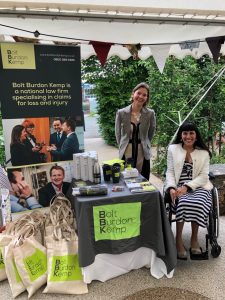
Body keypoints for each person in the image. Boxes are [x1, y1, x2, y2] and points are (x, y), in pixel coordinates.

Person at [165, 121, 212, 260]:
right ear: (181, 135)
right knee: (183, 202)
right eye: (185, 133)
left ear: (196, 136)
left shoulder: (204, 153)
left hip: (199, 186)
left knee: (197, 202)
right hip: (177, 185)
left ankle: (194, 239)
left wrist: (187, 187)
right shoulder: (173, 149)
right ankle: (178, 240)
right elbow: (170, 172)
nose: (188, 136)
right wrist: (172, 187)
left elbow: (204, 177)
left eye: (191, 133)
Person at [115, 82, 156, 180]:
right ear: (133, 94)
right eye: (139, 93)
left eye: (144, 95)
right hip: (126, 150)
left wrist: (145, 142)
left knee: (143, 180)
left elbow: (151, 133)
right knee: (126, 178)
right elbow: (118, 134)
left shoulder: (150, 114)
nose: (141, 96)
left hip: (143, 151)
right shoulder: (121, 113)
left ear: (147, 98)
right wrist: (123, 145)